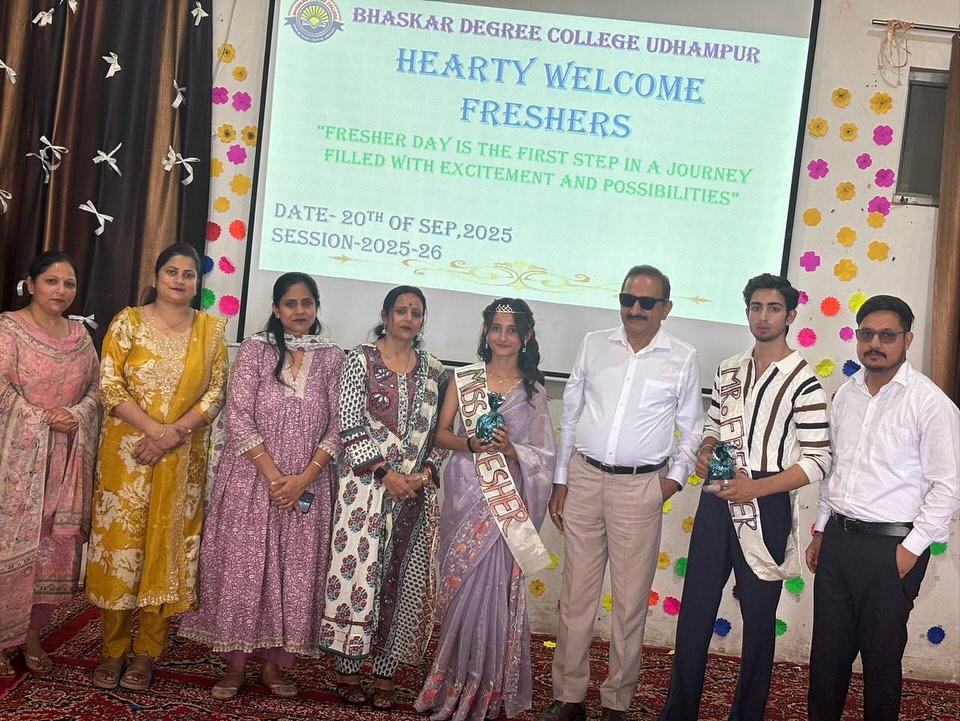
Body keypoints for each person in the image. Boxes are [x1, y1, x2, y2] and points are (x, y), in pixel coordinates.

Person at [657, 273, 832, 721]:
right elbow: (714, 425)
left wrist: (756, 487)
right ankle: (679, 711)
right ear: (747, 311)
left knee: (758, 619)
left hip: (766, 504)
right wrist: (706, 450)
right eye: (756, 307)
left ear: (790, 316)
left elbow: (818, 460)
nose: (763, 316)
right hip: (717, 499)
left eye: (773, 308)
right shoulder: (729, 369)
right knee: (695, 609)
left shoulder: (805, 381)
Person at [537, 265, 703, 721]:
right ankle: (569, 697)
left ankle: (616, 702)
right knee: (575, 598)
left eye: (646, 302)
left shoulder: (682, 357)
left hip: (641, 487)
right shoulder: (594, 344)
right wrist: (561, 480)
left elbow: (692, 428)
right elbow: (571, 415)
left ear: (665, 308)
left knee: (630, 605)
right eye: (628, 299)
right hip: (584, 480)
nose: (635, 309)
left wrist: (671, 482)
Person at [178, 273, 343, 699]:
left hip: (308, 486)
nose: (300, 311)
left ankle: (274, 667)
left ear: (317, 307)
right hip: (252, 482)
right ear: (275, 308)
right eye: (290, 303)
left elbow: (337, 426)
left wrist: (303, 478)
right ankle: (234, 666)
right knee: (244, 570)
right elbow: (238, 416)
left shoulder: (332, 357)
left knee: (295, 572)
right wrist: (275, 478)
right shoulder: (255, 349)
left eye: (307, 303)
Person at [805, 294, 959, 721]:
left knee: (880, 662)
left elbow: (947, 486)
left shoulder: (930, 403)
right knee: (826, 658)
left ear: (907, 339)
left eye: (887, 335)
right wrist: (821, 530)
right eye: (867, 334)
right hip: (838, 542)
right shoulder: (845, 396)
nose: (875, 343)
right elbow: (835, 469)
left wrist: (910, 549)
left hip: (892, 549)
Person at [84, 243, 228, 691]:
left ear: (197, 283)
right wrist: (154, 430)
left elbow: (216, 393)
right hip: (127, 458)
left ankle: (147, 652)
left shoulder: (211, 330)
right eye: (171, 271)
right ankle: (113, 650)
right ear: (156, 275)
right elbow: (110, 385)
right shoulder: (127, 322)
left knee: (166, 549)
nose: (179, 280)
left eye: (188, 274)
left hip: (180, 459)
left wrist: (171, 435)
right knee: (121, 550)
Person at [415, 298, 557, 721]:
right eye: (496, 328)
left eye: (512, 330)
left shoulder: (534, 392)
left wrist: (512, 449)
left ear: (526, 336)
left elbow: (544, 456)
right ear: (485, 332)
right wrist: (470, 444)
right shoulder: (464, 380)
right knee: (461, 589)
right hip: (465, 492)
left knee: (495, 591)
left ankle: (486, 686)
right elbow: (441, 435)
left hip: (506, 503)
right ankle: (452, 681)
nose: (502, 337)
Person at [319, 285, 447, 711]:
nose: (408, 318)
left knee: (400, 578)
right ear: (386, 316)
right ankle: (348, 669)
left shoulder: (435, 371)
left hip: (413, 494)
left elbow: (440, 437)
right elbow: (348, 423)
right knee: (358, 575)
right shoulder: (359, 360)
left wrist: (422, 476)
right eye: (401, 311)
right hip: (364, 491)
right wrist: (384, 474)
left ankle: (385, 672)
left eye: (416, 312)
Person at [0, 251, 101, 679]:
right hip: (15, 463)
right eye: (51, 281)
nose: (61, 291)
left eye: (69, 283)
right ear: (31, 284)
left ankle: (32, 635)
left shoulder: (80, 337)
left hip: (65, 463)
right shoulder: (9, 329)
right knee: (9, 548)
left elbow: (98, 390)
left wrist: (76, 415)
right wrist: (40, 418)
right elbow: (2, 389)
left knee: (52, 553)